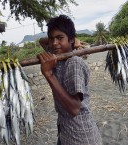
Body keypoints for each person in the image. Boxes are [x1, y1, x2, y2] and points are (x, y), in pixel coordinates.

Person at [37, 15, 102, 145]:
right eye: (52, 38)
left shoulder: (74, 63)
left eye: (60, 38)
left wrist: (49, 74)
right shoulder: (57, 54)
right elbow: (42, 41)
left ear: (71, 40)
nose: (54, 43)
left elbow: (74, 109)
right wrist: (64, 38)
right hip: (65, 132)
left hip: (80, 136)